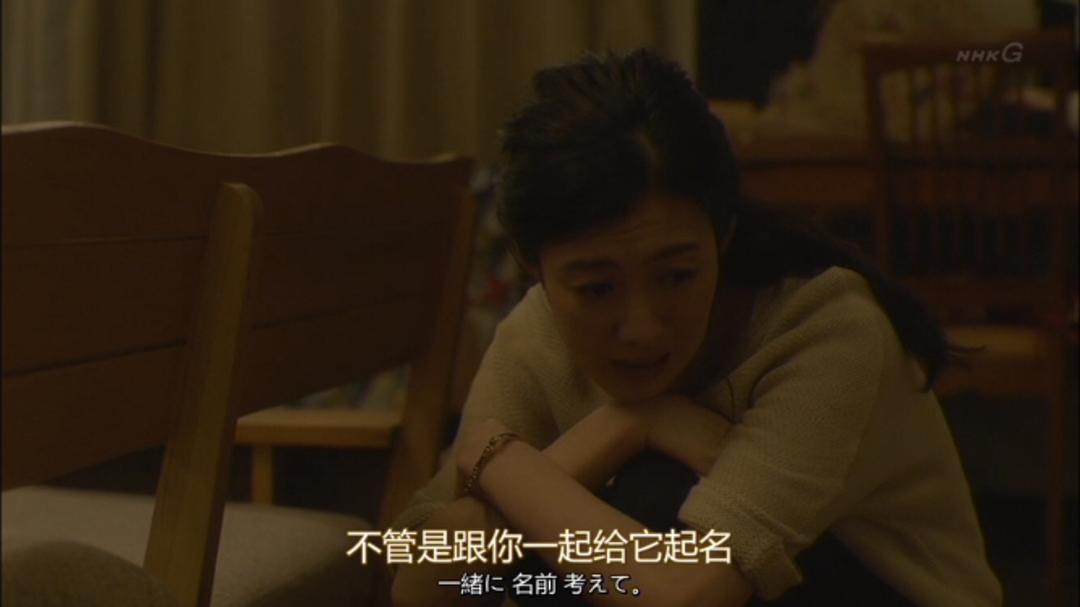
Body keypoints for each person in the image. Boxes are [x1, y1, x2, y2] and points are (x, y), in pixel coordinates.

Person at [389, 49, 1001, 607]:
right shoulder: (537, 335)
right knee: (545, 548)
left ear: (722, 233)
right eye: (597, 289)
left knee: (643, 502)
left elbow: (686, 595)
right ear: (533, 264)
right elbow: (417, 587)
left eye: (676, 276)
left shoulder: (825, 329)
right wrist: (623, 427)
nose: (642, 329)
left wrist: (494, 460)